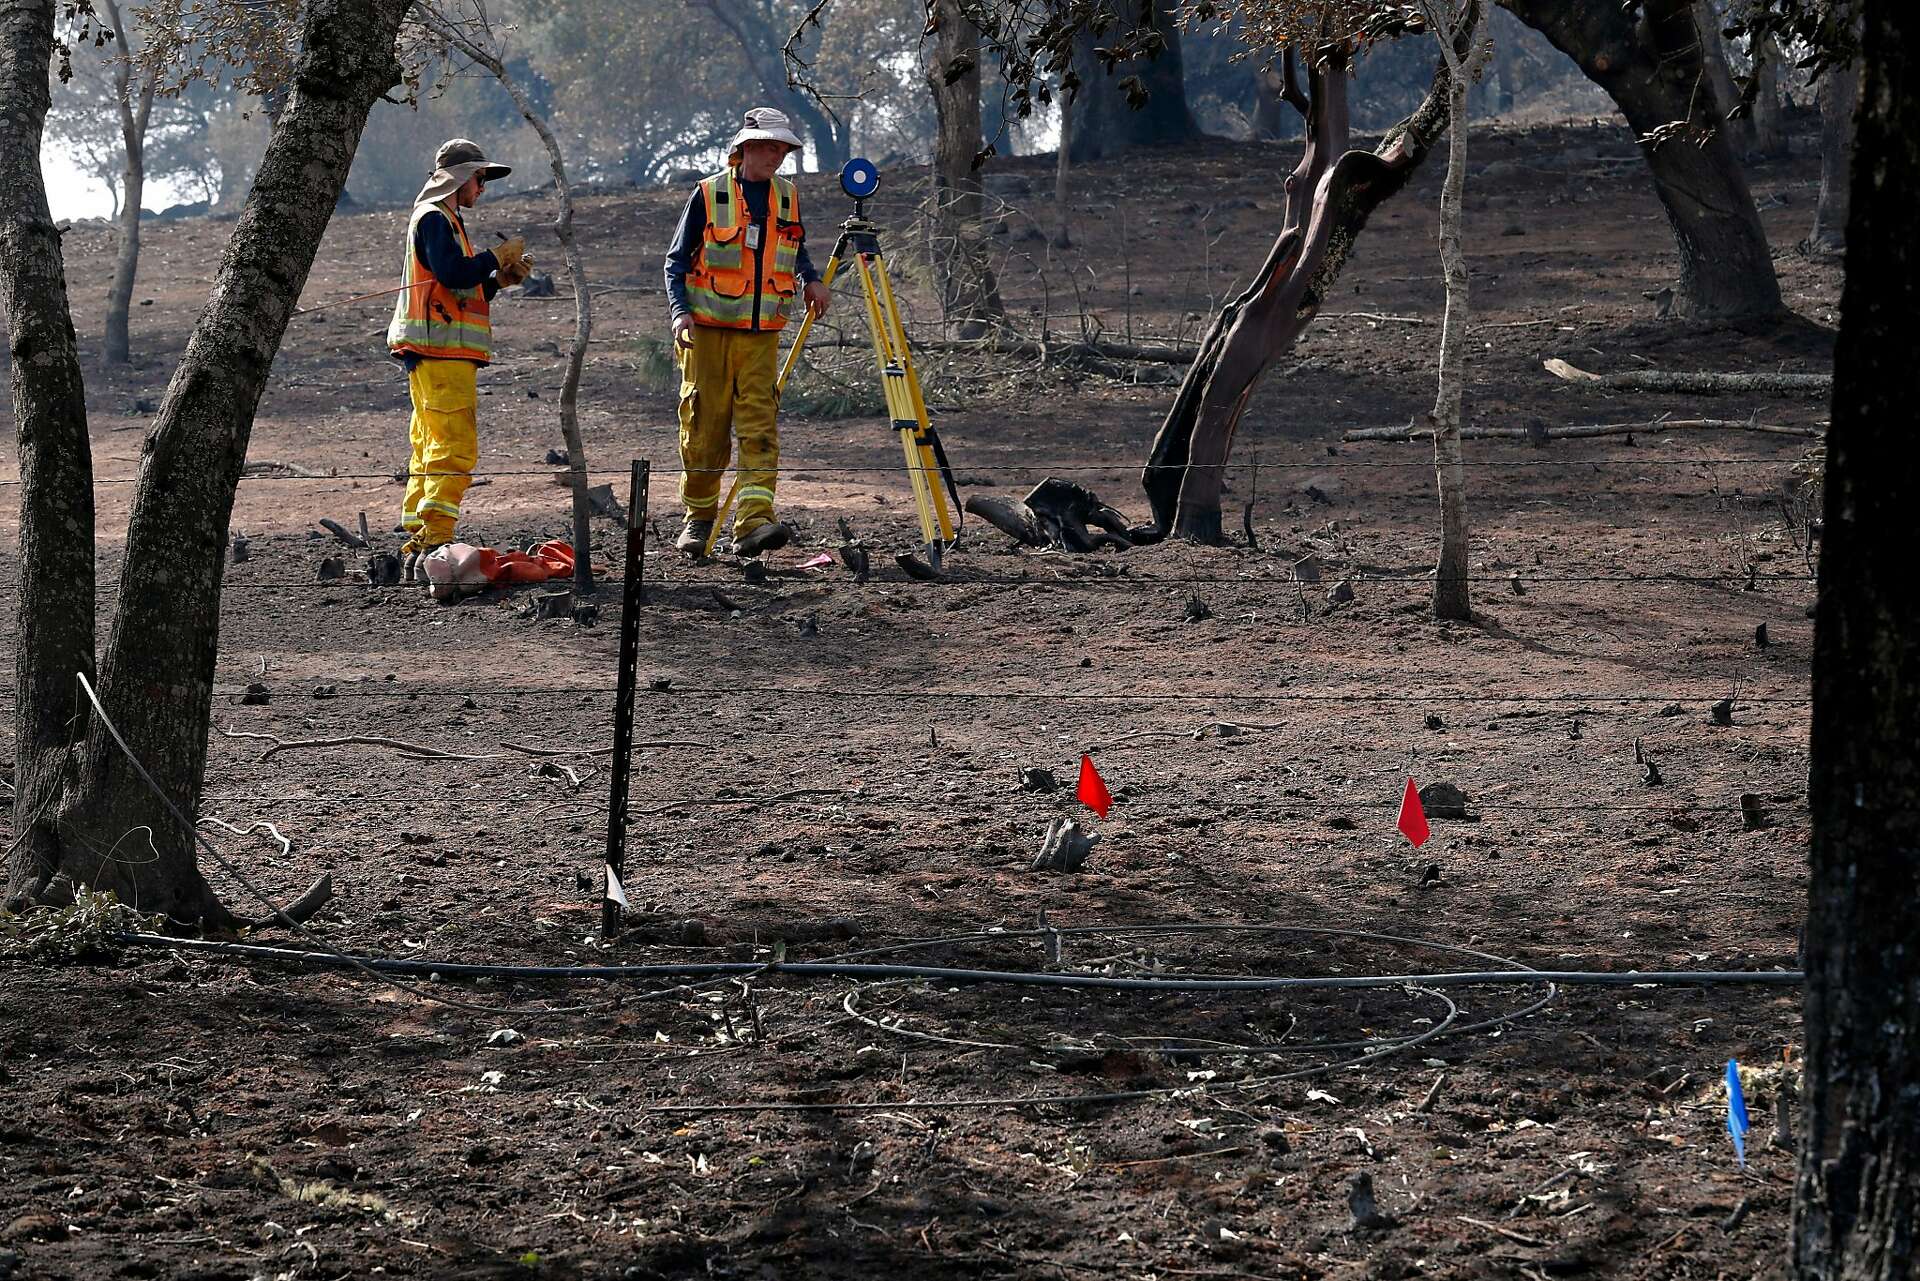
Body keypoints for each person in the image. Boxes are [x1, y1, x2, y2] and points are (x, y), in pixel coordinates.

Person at [664, 106, 831, 558]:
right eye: (770, 146)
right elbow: (675, 261)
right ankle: (698, 522)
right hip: (709, 335)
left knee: (760, 425)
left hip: (762, 335)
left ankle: (754, 523)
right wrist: (680, 313)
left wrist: (809, 278)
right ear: (745, 148)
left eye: (783, 147)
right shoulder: (708, 194)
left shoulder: (788, 197)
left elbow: (795, 248)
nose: (777, 154)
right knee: (704, 428)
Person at [388, 138, 532, 584]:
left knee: (428, 446)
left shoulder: (446, 220)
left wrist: (498, 280)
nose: (483, 188)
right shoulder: (434, 218)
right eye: (480, 178)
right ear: (461, 177)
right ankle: (436, 541)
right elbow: (451, 272)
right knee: (453, 446)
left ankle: (417, 539)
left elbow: (456, 288)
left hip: (436, 349)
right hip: (442, 350)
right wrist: (494, 258)